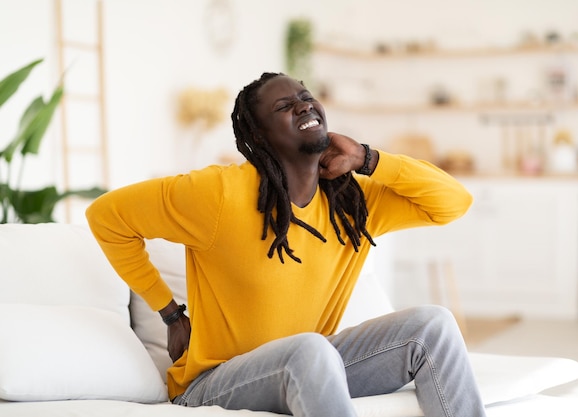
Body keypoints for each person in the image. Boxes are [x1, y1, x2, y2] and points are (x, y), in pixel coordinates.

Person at [86, 72, 486, 417]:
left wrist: (367, 158)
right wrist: (171, 314)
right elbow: (106, 216)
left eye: (307, 97)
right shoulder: (218, 194)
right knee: (311, 350)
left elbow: (454, 203)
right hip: (215, 382)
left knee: (432, 326)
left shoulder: (353, 203)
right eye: (285, 106)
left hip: (313, 367)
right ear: (259, 135)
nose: (304, 106)